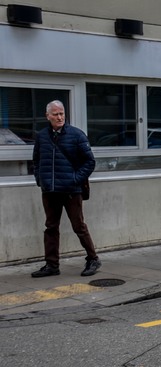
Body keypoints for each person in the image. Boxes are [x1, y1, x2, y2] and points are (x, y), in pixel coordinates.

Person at [31, 100, 101, 278]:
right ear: (47, 116)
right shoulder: (41, 136)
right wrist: (41, 180)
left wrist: (75, 180)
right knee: (51, 227)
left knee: (79, 226)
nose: (59, 117)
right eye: (55, 114)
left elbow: (90, 162)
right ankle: (51, 265)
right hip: (50, 190)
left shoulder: (77, 135)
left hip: (71, 191)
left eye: (61, 113)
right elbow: (36, 161)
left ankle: (93, 259)